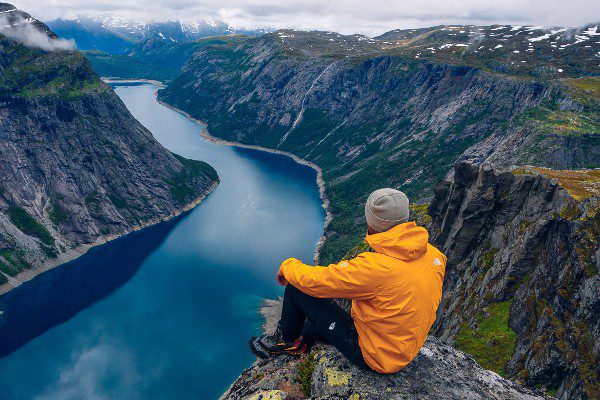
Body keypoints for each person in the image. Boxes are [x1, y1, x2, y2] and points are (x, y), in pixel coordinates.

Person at [249, 188, 446, 374]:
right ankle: (304, 343)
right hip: (404, 347)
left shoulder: (375, 268)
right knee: (311, 326)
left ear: (371, 223)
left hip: (375, 356)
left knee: (297, 288)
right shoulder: (435, 256)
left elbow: (319, 281)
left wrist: (288, 265)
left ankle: (287, 341)